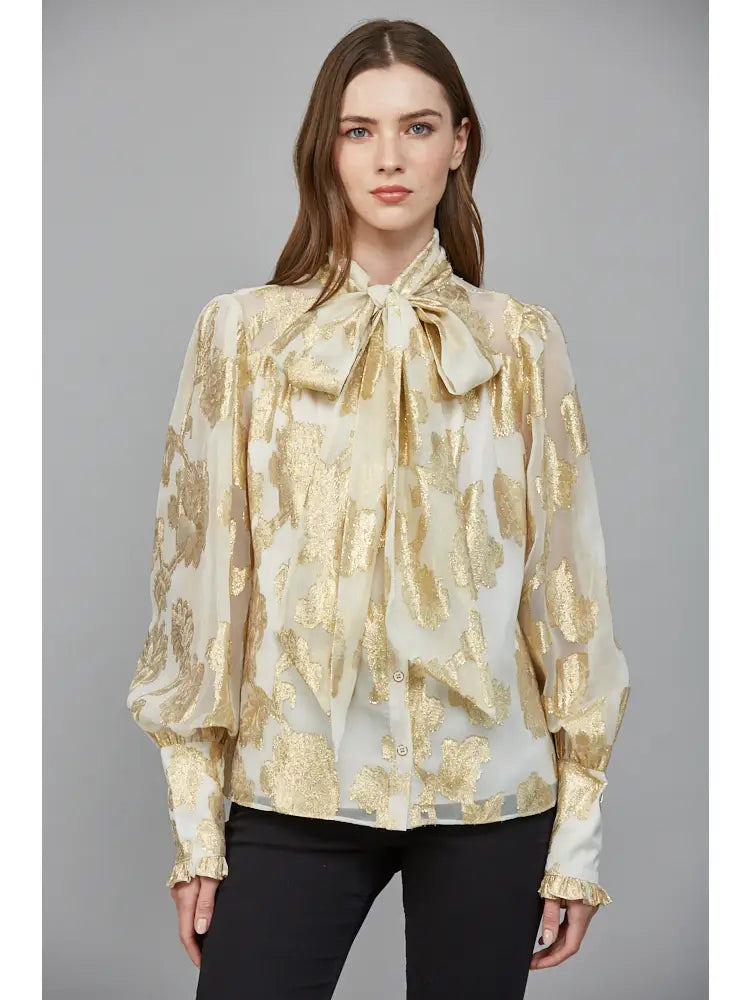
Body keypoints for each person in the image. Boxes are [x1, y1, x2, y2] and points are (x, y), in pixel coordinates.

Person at [126, 17, 630, 1000]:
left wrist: (576, 838)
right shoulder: (243, 337)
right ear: (327, 147)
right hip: (293, 784)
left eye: (417, 127)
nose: (389, 157)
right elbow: (200, 590)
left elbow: (568, 593)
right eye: (359, 130)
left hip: (491, 798)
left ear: (460, 143)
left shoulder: (520, 342)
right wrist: (197, 827)